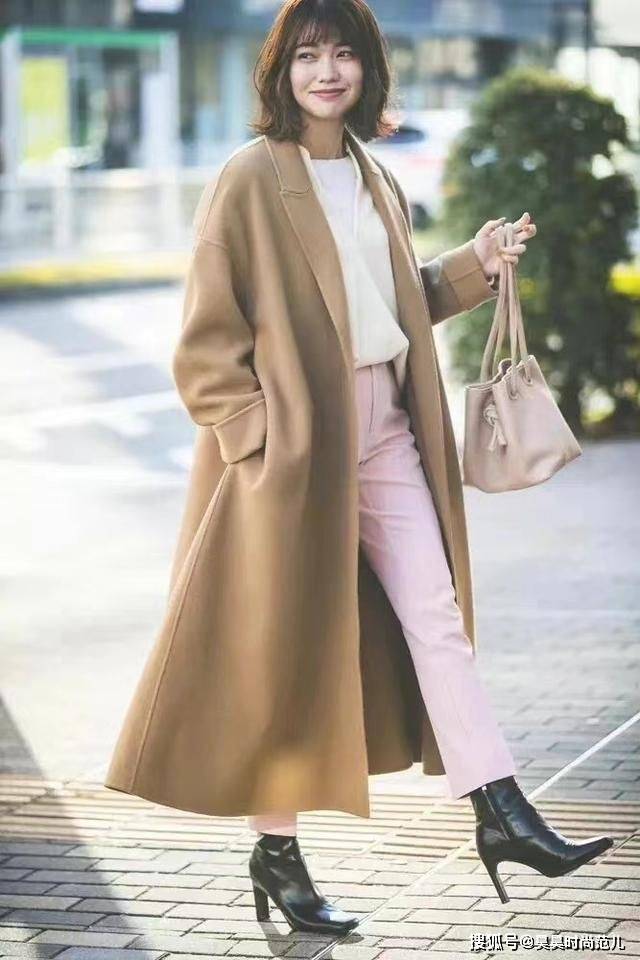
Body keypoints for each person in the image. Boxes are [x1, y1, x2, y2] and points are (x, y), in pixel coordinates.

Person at [105, 0, 613, 936]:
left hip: (385, 430)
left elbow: (389, 303)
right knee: (287, 652)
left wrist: (476, 263)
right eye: (308, 55)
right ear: (282, 71)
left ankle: (500, 810)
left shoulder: (376, 177)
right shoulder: (251, 177)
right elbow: (206, 341)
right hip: (296, 448)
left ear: (369, 70)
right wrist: (260, 439)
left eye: (343, 54)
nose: (327, 71)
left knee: (436, 614)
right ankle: (278, 853)